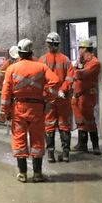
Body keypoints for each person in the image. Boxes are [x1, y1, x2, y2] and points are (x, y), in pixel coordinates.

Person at [0, 39, 61, 183]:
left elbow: (6, 93)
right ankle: (38, 174)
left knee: (19, 139)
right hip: (37, 109)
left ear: (19, 53)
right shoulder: (42, 67)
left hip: (19, 109)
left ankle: (22, 174)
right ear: (31, 52)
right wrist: (47, 96)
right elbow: (55, 82)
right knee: (37, 139)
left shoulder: (11, 69)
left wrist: (4, 111)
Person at [38, 32, 72, 162]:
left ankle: (51, 155)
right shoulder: (66, 59)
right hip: (63, 98)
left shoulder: (42, 60)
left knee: (49, 125)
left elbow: (40, 80)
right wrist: (62, 90)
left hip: (49, 98)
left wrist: (48, 92)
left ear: (48, 44)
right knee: (64, 125)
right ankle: (65, 154)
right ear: (58, 44)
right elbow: (69, 78)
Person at [69, 38, 102, 154]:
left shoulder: (94, 63)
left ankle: (95, 145)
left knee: (89, 120)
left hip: (87, 96)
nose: (78, 50)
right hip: (77, 95)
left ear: (85, 49)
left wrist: (76, 71)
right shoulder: (81, 62)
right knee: (80, 121)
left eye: (80, 48)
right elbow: (74, 73)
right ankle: (82, 144)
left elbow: (80, 74)